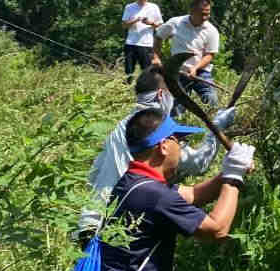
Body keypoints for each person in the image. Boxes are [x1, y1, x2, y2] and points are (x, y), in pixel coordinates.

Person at [97, 107, 256, 271]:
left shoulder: (133, 182)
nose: (181, 148)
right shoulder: (154, 195)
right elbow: (217, 230)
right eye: (178, 141)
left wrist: (227, 171)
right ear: (163, 146)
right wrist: (234, 177)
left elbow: (193, 195)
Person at [78, 67, 238, 241]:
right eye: (173, 94)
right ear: (161, 95)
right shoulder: (154, 130)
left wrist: (229, 174)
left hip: (93, 221)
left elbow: (95, 175)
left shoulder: (127, 125)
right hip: (120, 227)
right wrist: (217, 130)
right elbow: (198, 164)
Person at [155, 0, 221, 108]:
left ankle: (212, 122)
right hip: (177, 72)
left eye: (208, 13)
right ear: (192, 11)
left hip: (201, 71)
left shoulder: (211, 30)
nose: (206, 17)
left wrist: (195, 68)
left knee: (211, 99)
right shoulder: (175, 23)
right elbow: (158, 37)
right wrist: (156, 57)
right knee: (175, 106)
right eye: (202, 14)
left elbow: (210, 55)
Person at [121, 0, 163, 80]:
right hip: (131, 43)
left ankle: (146, 90)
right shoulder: (129, 7)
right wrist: (135, 20)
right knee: (128, 71)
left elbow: (160, 25)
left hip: (146, 43)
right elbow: (124, 25)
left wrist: (150, 23)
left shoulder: (154, 7)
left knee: (147, 70)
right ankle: (127, 88)